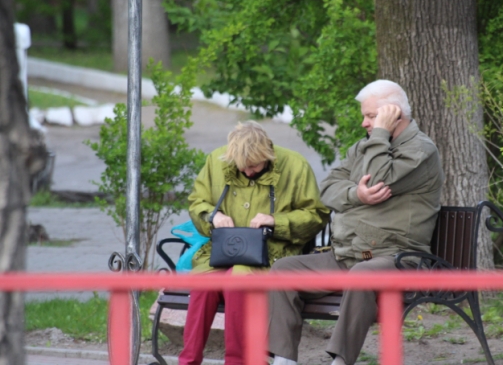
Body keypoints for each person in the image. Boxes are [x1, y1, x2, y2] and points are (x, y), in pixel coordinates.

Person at [268, 80, 444, 365]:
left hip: (397, 258)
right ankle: (283, 360)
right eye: (365, 116)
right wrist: (356, 194)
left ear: (394, 113)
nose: (364, 123)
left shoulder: (421, 150)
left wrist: (380, 133)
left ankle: (340, 360)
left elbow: (378, 179)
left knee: (362, 274)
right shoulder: (363, 147)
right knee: (283, 270)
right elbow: (328, 189)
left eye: (371, 116)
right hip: (350, 256)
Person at [178, 120, 330, 365]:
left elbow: (316, 216)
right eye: (242, 167)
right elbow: (197, 203)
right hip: (222, 252)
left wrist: (275, 221)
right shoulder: (216, 160)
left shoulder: (295, 165)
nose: (248, 172)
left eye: (254, 166)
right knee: (203, 284)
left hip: (274, 252)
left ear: (267, 155)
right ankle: (187, 361)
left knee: (237, 280)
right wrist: (213, 216)